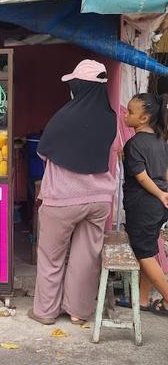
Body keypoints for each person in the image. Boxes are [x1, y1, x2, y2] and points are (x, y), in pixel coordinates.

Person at [29, 59, 117, 325]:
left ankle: (45, 312)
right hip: (100, 199)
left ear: (78, 87)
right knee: (85, 259)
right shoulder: (110, 118)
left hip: (62, 200)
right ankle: (78, 312)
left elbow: (43, 151)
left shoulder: (64, 116)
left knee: (51, 258)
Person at [122, 92, 168, 314]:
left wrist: (159, 194)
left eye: (130, 112)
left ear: (143, 119)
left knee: (144, 254)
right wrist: (164, 194)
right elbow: (166, 173)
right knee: (147, 249)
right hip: (158, 206)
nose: (125, 114)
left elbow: (141, 177)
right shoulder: (161, 141)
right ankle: (141, 300)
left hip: (144, 205)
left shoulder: (133, 144)